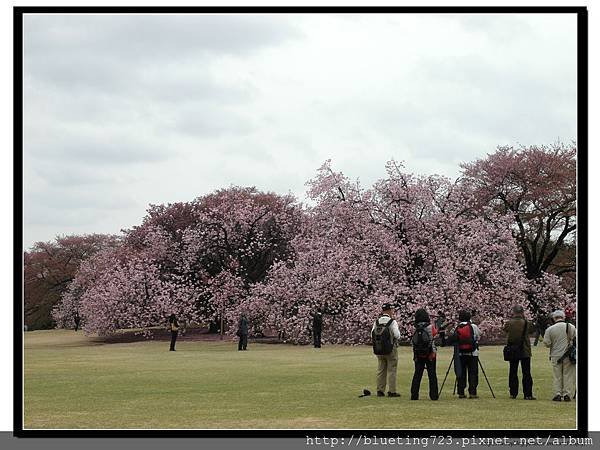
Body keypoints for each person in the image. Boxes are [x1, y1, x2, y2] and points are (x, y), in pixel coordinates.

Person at [503, 305, 536, 400]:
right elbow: (532, 331)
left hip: (512, 350)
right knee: (526, 372)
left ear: (513, 312)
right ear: (522, 312)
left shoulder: (509, 323)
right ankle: (528, 394)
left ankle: (513, 393)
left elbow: (505, 330)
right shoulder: (527, 323)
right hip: (525, 350)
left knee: (513, 372)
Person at [543, 310, 577, 401]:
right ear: (563, 317)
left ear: (554, 318)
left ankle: (557, 394)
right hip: (569, 355)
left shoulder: (550, 329)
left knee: (557, 375)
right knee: (568, 375)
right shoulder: (571, 327)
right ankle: (567, 394)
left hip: (555, 355)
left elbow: (547, 343)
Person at [448, 310, 481, 399]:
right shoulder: (473, 326)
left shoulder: (457, 327)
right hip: (472, 353)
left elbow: (453, 338)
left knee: (461, 372)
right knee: (473, 373)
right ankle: (472, 392)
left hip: (460, 353)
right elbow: (479, 335)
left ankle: (461, 392)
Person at [371, 303, 401, 397]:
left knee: (381, 369)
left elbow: (371, 334)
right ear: (389, 310)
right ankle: (392, 391)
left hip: (379, 349)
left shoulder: (376, 322)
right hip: (391, 349)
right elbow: (397, 335)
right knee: (392, 370)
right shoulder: (392, 322)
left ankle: (380, 390)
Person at [410, 308, 439, 400]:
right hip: (430, 353)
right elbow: (434, 335)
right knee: (432, 374)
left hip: (418, 353)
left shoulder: (414, 327)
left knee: (417, 374)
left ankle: (414, 395)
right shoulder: (430, 327)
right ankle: (434, 395)